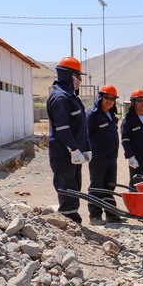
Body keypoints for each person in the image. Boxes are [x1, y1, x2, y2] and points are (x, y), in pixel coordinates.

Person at [47, 56, 89, 224]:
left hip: (74, 153)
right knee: (66, 186)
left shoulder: (72, 98)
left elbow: (80, 127)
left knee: (74, 184)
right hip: (63, 153)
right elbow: (62, 128)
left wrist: (85, 148)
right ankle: (69, 220)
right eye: (78, 76)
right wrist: (73, 148)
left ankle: (72, 220)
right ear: (69, 76)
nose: (79, 80)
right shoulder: (60, 98)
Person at [86, 85, 127, 225]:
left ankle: (111, 214)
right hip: (97, 157)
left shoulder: (110, 114)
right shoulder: (92, 114)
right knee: (97, 186)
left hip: (111, 157)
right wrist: (86, 150)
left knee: (109, 186)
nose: (110, 101)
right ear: (100, 98)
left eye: (113, 99)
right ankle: (94, 215)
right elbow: (84, 134)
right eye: (107, 98)